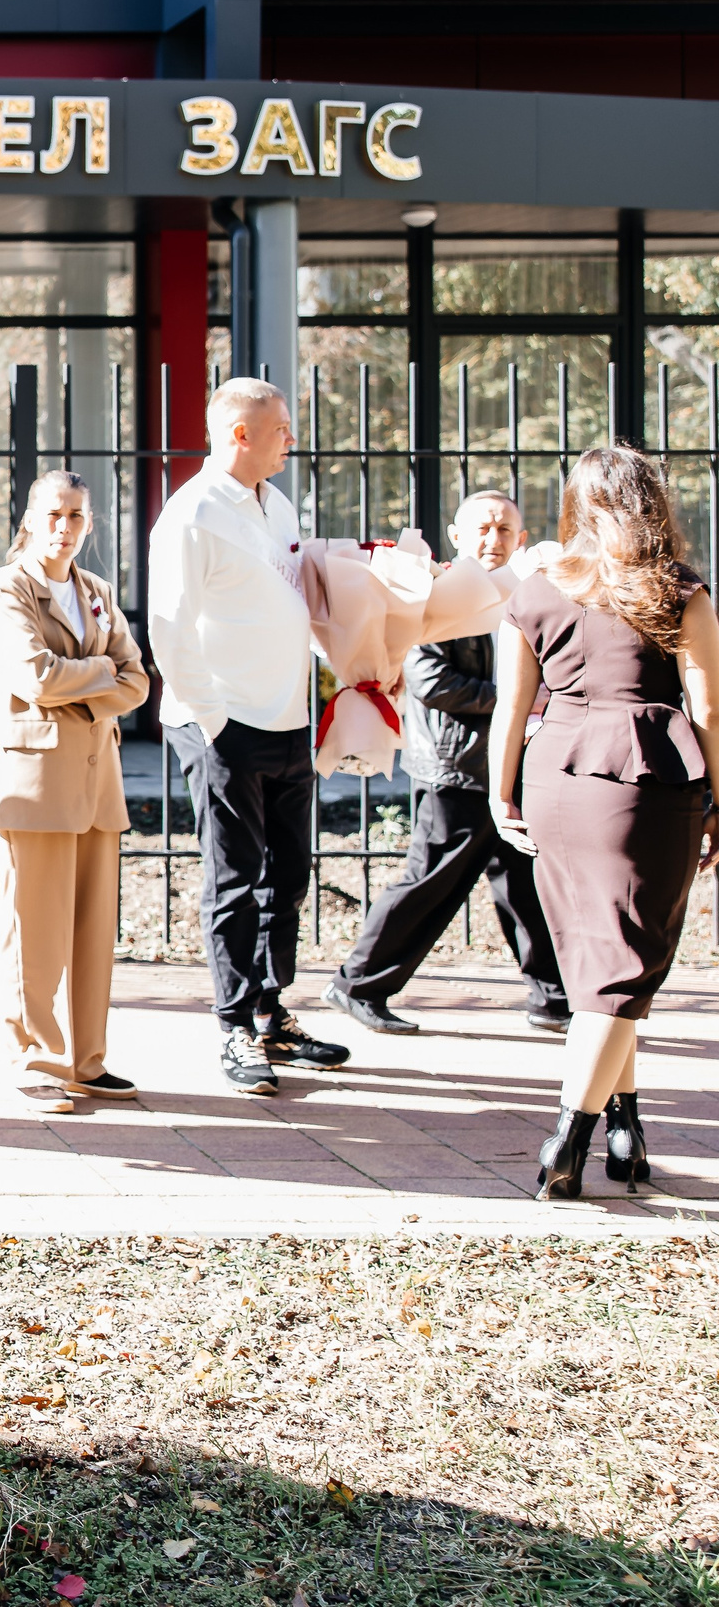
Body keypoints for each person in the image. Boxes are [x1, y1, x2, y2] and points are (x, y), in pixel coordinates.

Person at [492, 445, 719, 1200]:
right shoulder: (680, 591)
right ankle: (570, 1138)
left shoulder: (535, 589)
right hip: (645, 782)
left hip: (557, 775)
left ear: (578, 506)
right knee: (622, 968)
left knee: (602, 962)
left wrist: (501, 793)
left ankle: (626, 1126)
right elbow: (709, 708)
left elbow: (512, 708)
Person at [147, 376, 351, 1095]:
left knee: (287, 877)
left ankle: (271, 1013)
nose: (291, 438)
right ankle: (233, 1025)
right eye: (281, 428)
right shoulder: (192, 514)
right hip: (224, 724)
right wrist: (212, 718)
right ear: (240, 433)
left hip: (288, 718)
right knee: (234, 880)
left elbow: (294, 598)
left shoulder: (278, 502)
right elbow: (169, 627)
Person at [323, 493, 569, 1036]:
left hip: (515, 768)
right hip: (456, 768)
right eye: (482, 528)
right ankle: (356, 983)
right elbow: (432, 680)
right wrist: (520, 700)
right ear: (456, 537)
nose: (494, 539)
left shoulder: (530, 595)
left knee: (529, 885)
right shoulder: (435, 595)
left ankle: (554, 998)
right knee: (430, 883)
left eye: (506, 530)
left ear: (522, 539)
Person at [0, 470, 151, 1114]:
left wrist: (96, 678)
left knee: (89, 930)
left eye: (77, 516)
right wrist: (101, 673)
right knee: (34, 927)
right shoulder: (7, 589)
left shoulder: (96, 591)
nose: (65, 527)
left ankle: (85, 1060)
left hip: (95, 781)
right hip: (34, 783)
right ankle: (36, 1062)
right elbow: (35, 676)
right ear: (30, 516)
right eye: (54, 514)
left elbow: (140, 683)